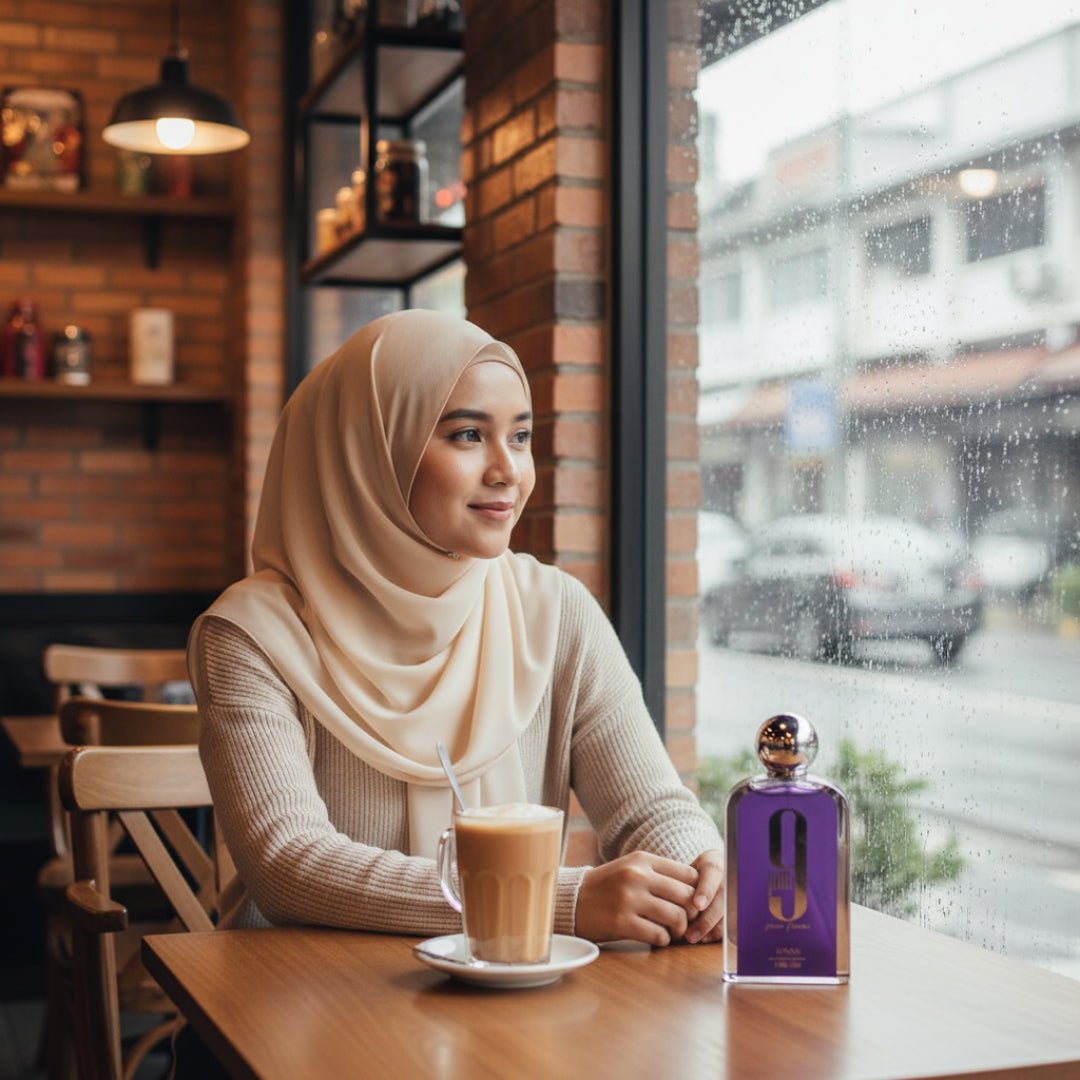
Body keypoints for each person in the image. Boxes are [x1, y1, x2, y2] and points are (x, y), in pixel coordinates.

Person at [188, 308, 724, 949]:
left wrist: (698, 873)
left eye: (521, 437)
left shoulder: (553, 611)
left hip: (510, 1012)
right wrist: (551, 902)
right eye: (468, 435)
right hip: (306, 1013)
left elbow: (649, 809)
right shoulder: (251, 635)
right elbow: (287, 863)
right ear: (370, 450)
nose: (508, 471)